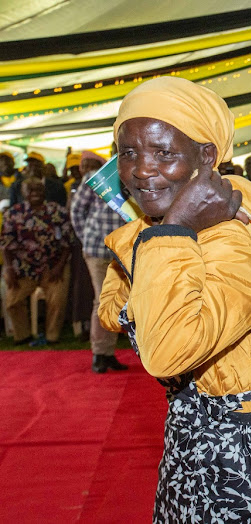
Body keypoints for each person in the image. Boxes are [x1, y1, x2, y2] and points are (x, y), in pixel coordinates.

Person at [98, 76, 251, 522]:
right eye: (129, 152)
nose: (141, 169)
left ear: (207, 157)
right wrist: (166, 230)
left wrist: (172, 229)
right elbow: (111, 311)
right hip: (193, 446)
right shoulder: (156, 231)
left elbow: (167, 350)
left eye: (164, 152)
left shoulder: (231, 237)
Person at [71, 150, 127, 374]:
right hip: (97, 249)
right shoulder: (96, 177)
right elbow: (76, 211)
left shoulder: (135, 175)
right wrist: (86, 237)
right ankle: (99, 353)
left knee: (117, 299)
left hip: (123, 249)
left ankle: (108, 353)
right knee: (102, 300)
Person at [1, 178, 75, 346]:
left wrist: (59, 266)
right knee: (12, 301)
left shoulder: (57, 211)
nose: (35, 194)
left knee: (57, 299)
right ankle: (23, 335)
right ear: (24, 193)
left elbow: (67, 242)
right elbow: (6, 244)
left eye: (38, 190)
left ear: (44, 192)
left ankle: (52, 336)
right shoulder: (13, 213)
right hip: (23, 268)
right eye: (30, 190)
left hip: (54, 266)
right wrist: (9, 268)